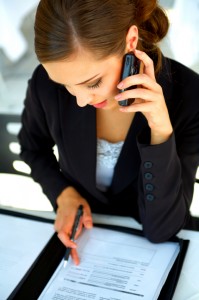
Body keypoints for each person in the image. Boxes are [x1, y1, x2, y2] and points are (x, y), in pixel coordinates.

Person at [18, 0, 199, 265]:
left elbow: (162, 229)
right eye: (65, 85)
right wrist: (63, 193)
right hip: (85, 241)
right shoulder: (46, 84)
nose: (80, 100)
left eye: (92, 83)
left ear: (131, 40)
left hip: (151, 255)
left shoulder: (189, 96)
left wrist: (160, 132)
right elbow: (32, 148)